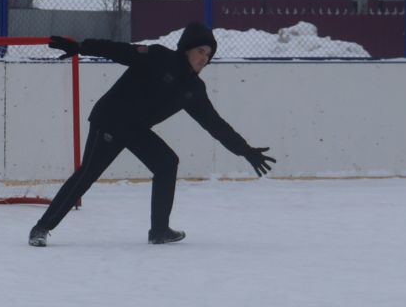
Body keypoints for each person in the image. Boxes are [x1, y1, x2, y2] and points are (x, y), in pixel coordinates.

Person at [29, 22, 273, 246]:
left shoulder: (193, 89)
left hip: (135, 128)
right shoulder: (159, 57)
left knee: (167, 162)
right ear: (186, 48)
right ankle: (41, 229)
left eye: (208, 55)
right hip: (110, 119)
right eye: (200, 51)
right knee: (88, 174)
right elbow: (120, 51)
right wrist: (81, 47)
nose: (204, 59)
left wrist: (245, 151)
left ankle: (159, 231)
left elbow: (215, 125)